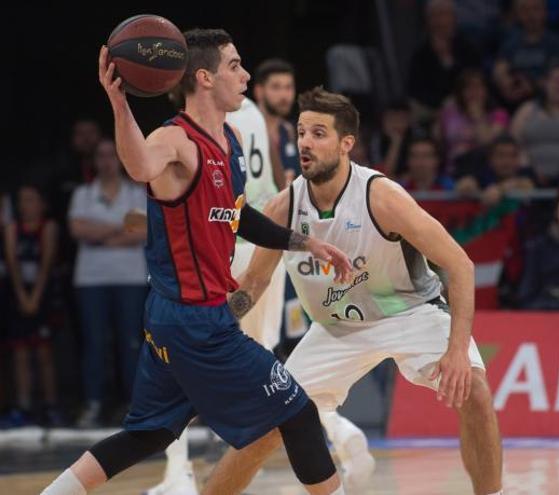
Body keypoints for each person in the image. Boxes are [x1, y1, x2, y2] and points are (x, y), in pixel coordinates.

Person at [40, 29, 352, 495]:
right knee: (300, 414)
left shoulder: (227, 139)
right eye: (235, 65)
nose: (246, 75)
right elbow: (141, 165)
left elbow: (237, 215)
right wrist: (118, 101)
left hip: (178, 319)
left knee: (149, 433)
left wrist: (303, 243)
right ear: (204, 78)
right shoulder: (175, 140)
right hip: (198, 324)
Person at [200, 87, 504, 495]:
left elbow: (460, 265)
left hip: (410, 312)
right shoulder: (283, 207)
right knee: (265, 426)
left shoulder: (382, 197)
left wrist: (456, 351)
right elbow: (253, 283)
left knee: (476, 392)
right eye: (302, 132)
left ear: (347, 144)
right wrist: (209, 325)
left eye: (319, 133)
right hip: (335, 329)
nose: (305, 142)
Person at [69, 140, 148, 429]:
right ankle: (93, 403)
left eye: (111, 156)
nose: (106, 161)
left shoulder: (136, 193)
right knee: (94, 343)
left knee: (131, 342)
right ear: (94, 161)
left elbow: (141, 231)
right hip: (91, 279)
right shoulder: (83, 193)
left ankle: (134, 404)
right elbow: (77, 229)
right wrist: (119, 228)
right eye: (100, 155)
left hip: (130, 278)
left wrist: (99, 234)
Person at [3, 184, 62, 427]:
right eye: (22, 200)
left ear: (42, 204)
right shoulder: (11, 229)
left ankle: (50, 406)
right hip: (18, 294)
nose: (25, 205)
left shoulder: (48, 227)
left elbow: (47, 264)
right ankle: (23, 406)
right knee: (20, 353)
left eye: (30, 200)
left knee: (44, 352)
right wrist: (22, 296)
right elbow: (12, 263)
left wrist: (35, 296)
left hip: (43, 294)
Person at [252, 58, 298, 186]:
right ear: (259, 91)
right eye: (276, 87)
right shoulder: (245, 129)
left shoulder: (291, 131)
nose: (284, 95)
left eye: (289, 87)